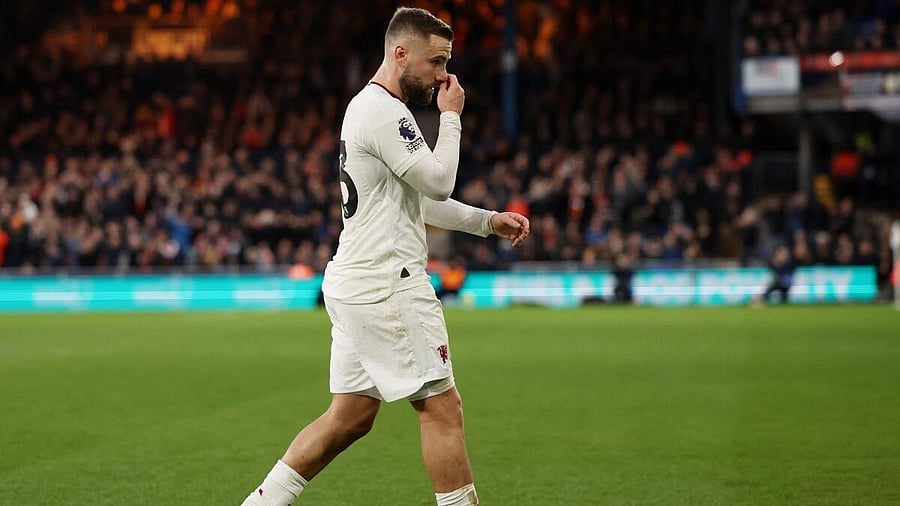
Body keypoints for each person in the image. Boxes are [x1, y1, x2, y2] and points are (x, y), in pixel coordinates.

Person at [241, 7, 530, 506]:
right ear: (400, 53)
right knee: (442, 408)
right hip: (387, 286)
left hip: (355, 282)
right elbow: (441, 178)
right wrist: (452, 116)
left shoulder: (373, 110)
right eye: (437, 62)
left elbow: (422, 200)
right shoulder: (383, 111)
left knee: (349, 415)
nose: (444, 76)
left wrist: (487, 221)